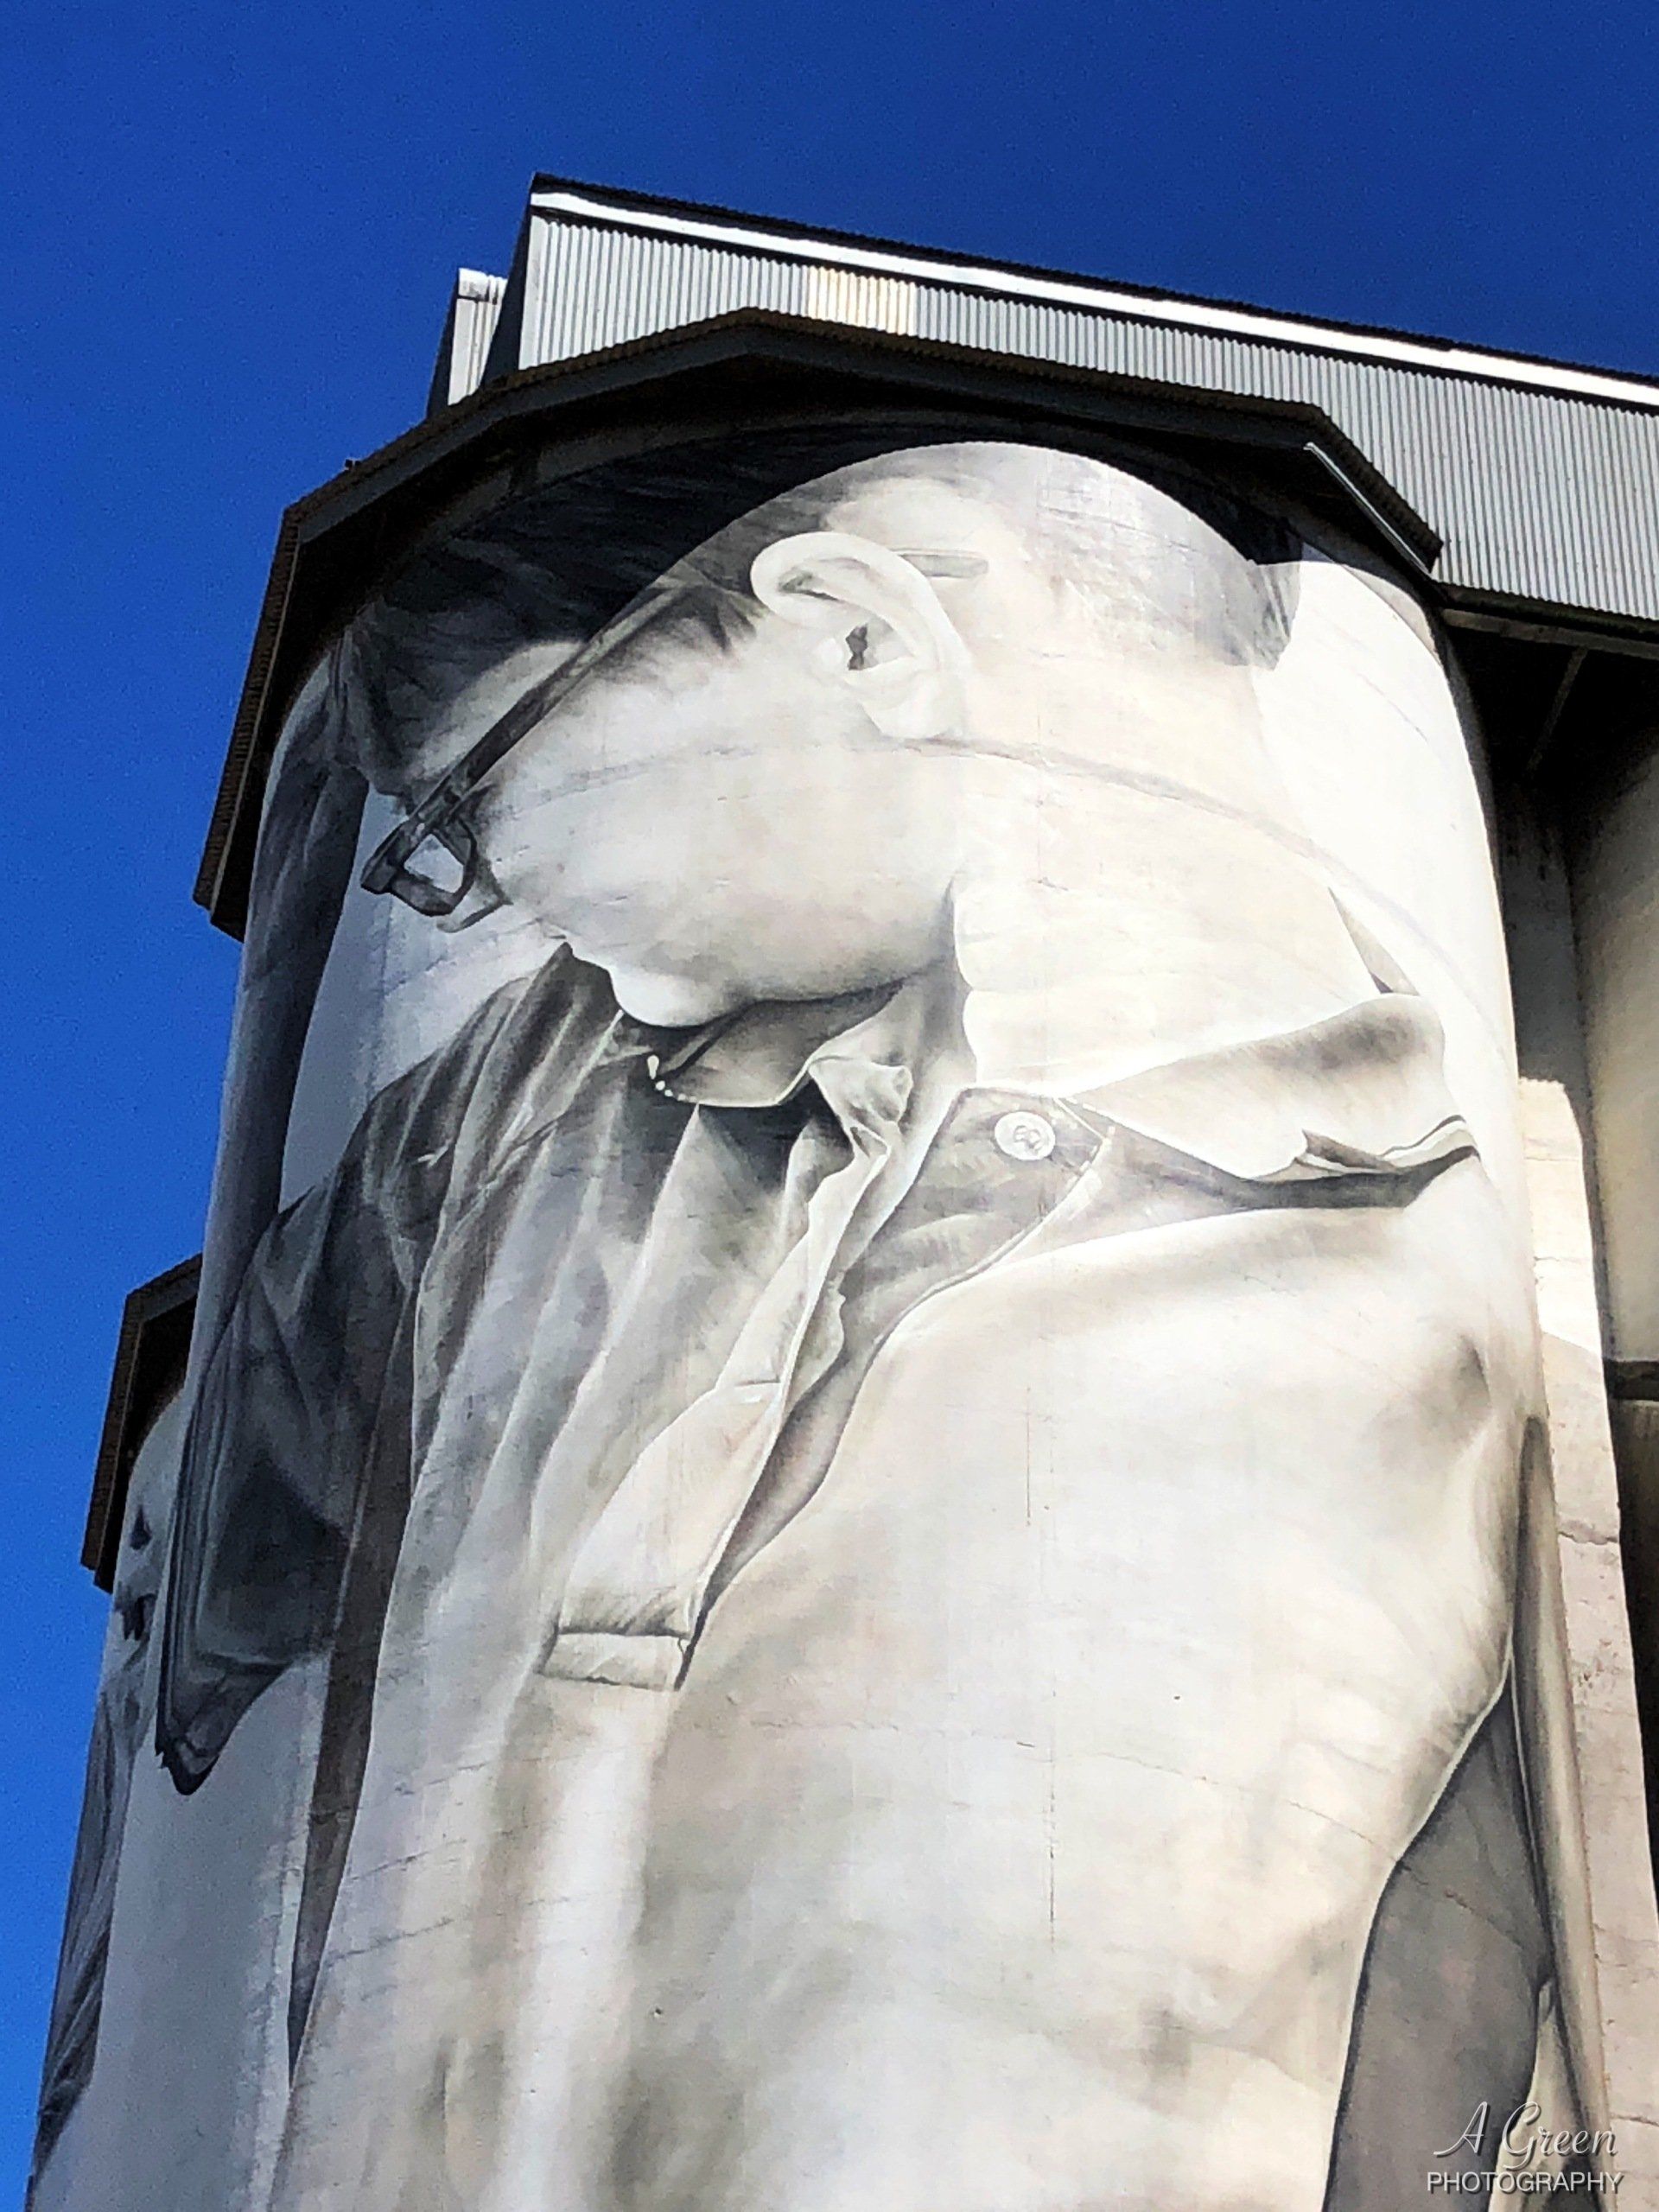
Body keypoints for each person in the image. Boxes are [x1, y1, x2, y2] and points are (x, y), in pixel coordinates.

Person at [156, 438, 1589, 2209]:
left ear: (855, 636)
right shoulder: (531, 1109)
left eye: (459, 824)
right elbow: (194, 1582)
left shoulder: (1406, 1310)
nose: (503, 914)